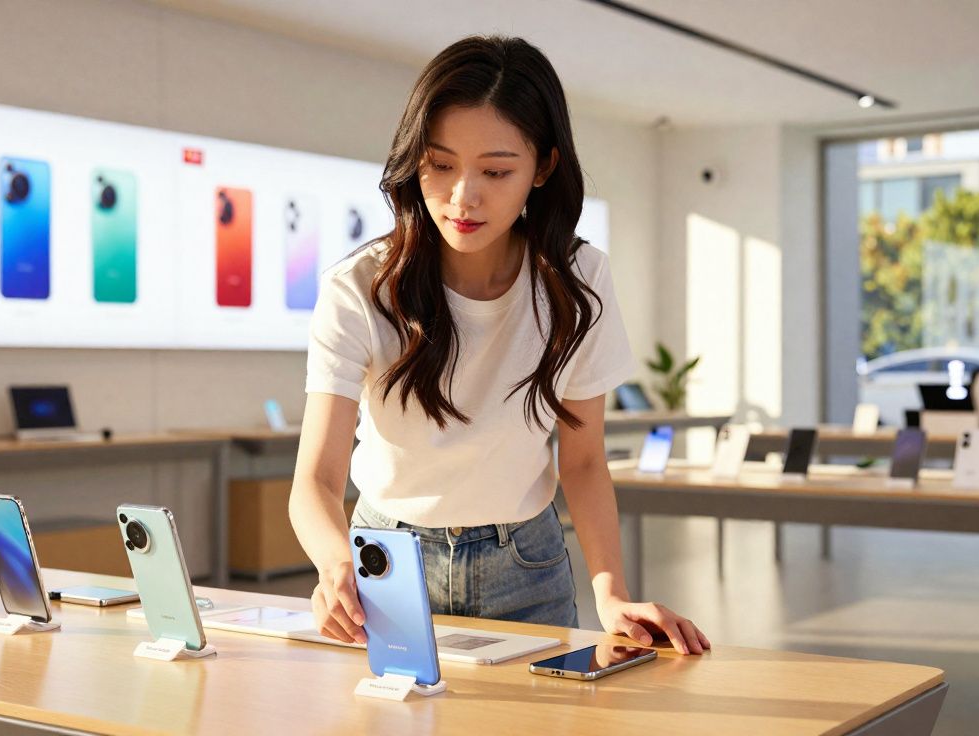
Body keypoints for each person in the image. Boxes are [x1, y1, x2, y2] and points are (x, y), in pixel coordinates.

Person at [289, 35, 709, 656]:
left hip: (527, 563)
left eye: (496, 170)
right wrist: (334, 568)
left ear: (542, 169)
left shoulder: (577, 279)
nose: (464, 197)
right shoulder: (361, 288)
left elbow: (585, 460)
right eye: (440, 164)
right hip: (387, 562)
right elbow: (316, 481)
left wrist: (612, 593)